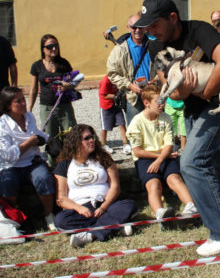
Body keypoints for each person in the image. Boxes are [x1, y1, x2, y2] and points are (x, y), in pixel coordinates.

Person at [134, 0, 220, 256]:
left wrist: (205, 91)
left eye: (155, 25)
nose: (151, 32)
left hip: (218, 105)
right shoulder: (155, 46)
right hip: (192, 111)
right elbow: (173, 94)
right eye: (147, 27)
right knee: (210, 164)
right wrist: (184, 90)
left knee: (193, 163)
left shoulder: (199, 30)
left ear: (173, 17)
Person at [53, 124, 137, 248]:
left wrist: (103, 207)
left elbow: (115, 187)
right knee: (60, 221)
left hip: (104, 205)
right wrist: (79, 208)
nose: (91, 140)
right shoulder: (64, 164)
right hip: (80, 209)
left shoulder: (103, 158)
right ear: (76, 142)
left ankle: (90, 235)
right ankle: (114, 227)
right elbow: (61, 198)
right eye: (86, 138)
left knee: (129, 205)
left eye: (92, 137)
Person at [126, 85, 197, 224]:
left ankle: (192, 207)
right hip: (145, 158)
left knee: (175, 179)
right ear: (146, 103)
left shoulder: (166, 118)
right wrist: (160, 157)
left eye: (163, 101)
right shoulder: (136, 122)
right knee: (154, 185)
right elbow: (137, 151)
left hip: (164, 156)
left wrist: (160, 159)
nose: (162, 105)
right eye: (159, 101)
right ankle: (160, 213)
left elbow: (169, 145)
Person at [0, 86, 56, 230]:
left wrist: (49, 140)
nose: (24, 103)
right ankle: (13, 216)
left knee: (44, 177)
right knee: (7, 185)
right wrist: (29, 142)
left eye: (23, 99)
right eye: (18, 101)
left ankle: (49, 215)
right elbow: (7, 155)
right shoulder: (2, 125)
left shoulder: (29, 117)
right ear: (8, 105)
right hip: (11, 166)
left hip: (32, 161)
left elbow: (36, 132)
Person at [29, 34, 78, 167]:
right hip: (47, 107)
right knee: (50, 137)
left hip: (64, 106)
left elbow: (74, 81)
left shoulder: (64, 63)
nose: (54, 48)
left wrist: (69, 86)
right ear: (43, 49)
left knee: (71, 135)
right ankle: (53, 167)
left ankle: (71, 164)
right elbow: (33, 89)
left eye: (56, 45)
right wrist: (29, 109)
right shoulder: (37, 66)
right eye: (50, 46)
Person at [107, 13, 157, 125]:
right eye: (134, 27)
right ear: (128, 28)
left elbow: (163, 66)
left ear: (145, 27)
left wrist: (155, 80)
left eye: (140, 26)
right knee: (135, 131)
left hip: (153, 93)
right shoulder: (120, 50)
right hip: (133, 97)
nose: (137, 30)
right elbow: (112, 73)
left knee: (155, 129)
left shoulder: (154, 45)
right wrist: (129, 85)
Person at [99, 74, 131, 155]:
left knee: (122, 123)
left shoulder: (119, 78)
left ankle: (125, 144)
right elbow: (104, 95)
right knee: (105, 127)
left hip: (116, 104)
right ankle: (103, 145)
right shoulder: (105, 81)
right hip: (106, 106)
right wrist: (115, 96)